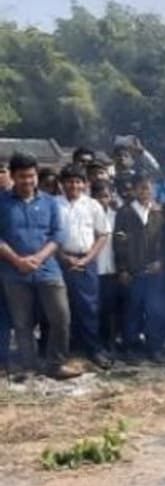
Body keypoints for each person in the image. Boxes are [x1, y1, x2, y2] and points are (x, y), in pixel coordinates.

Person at [0, 153, 78, 380]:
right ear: (13, 177)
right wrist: (18, 261)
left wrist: (39, 258)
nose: (28, 181)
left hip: (48, 269)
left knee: (61, 317)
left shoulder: (50, 202)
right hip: (13, 271)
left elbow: (58, 235)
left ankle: (56, 364)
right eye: (22, 176)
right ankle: (29, 365)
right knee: (22, 322)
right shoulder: (1, 202)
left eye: (32, 176)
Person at [55, 164, 112, 369]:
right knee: (62, 309)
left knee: (88, 307)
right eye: (70, 181)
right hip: (59, 261)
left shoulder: (92, 205)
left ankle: (93, 350)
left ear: (85, 184)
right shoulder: (54, 204)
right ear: (62, 184)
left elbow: (103, 234)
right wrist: (64, 257)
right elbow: (48, 237)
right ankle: (64, 352)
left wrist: (87, 259)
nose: (74, 185)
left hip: (87, 261)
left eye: (78, 181)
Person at [115, 175, 165, 363]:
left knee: (155, 310)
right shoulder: (125, 212)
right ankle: (130, 347)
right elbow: (118, 243)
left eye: (148, 188)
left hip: (154, 272)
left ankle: (155, 348)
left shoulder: (159, 212)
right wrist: (122, 269)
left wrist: (161, 262)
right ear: (135, 190)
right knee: (132, 311)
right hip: (133, 271)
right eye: (141, 188)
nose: (144, 192)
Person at [92, 180, 125, 358]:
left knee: (112, 309)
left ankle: (112, 342)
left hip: (113, 269)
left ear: (110, 196)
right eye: (98, 197)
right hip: (95, 269)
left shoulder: (116, 216)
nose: (102, 200)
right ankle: (97, 343)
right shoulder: (88, 216)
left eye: (105, 196)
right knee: (96, 309)